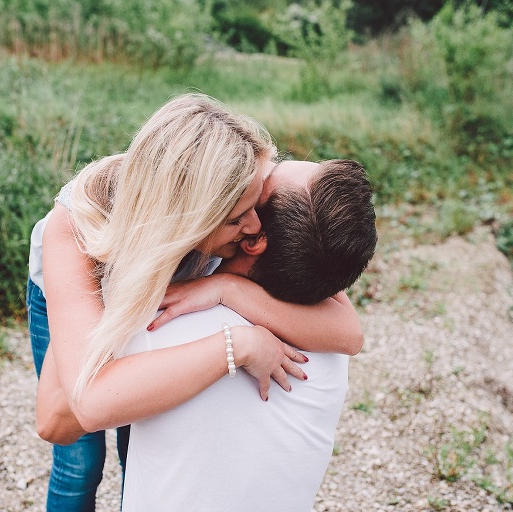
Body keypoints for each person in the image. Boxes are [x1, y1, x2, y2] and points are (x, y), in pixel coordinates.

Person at [28, 94, 364, 511]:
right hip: (78, 286)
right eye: (239, 218)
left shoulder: (247, 187)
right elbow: (68, 411)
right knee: (79, 463)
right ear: (191, 218)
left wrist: (228, 288)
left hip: (154, 267)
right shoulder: (82, 228)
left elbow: (349, 334)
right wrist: (237, 344)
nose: (256, 227)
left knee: (144, 437)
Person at [120, 159, 377, 512]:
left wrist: (227, 287)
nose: (264, 162)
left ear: (252, 234)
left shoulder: (159, 323)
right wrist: (229, 289)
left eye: (271, 171)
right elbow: (351, 335)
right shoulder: (321, 339)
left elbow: (61, 417)